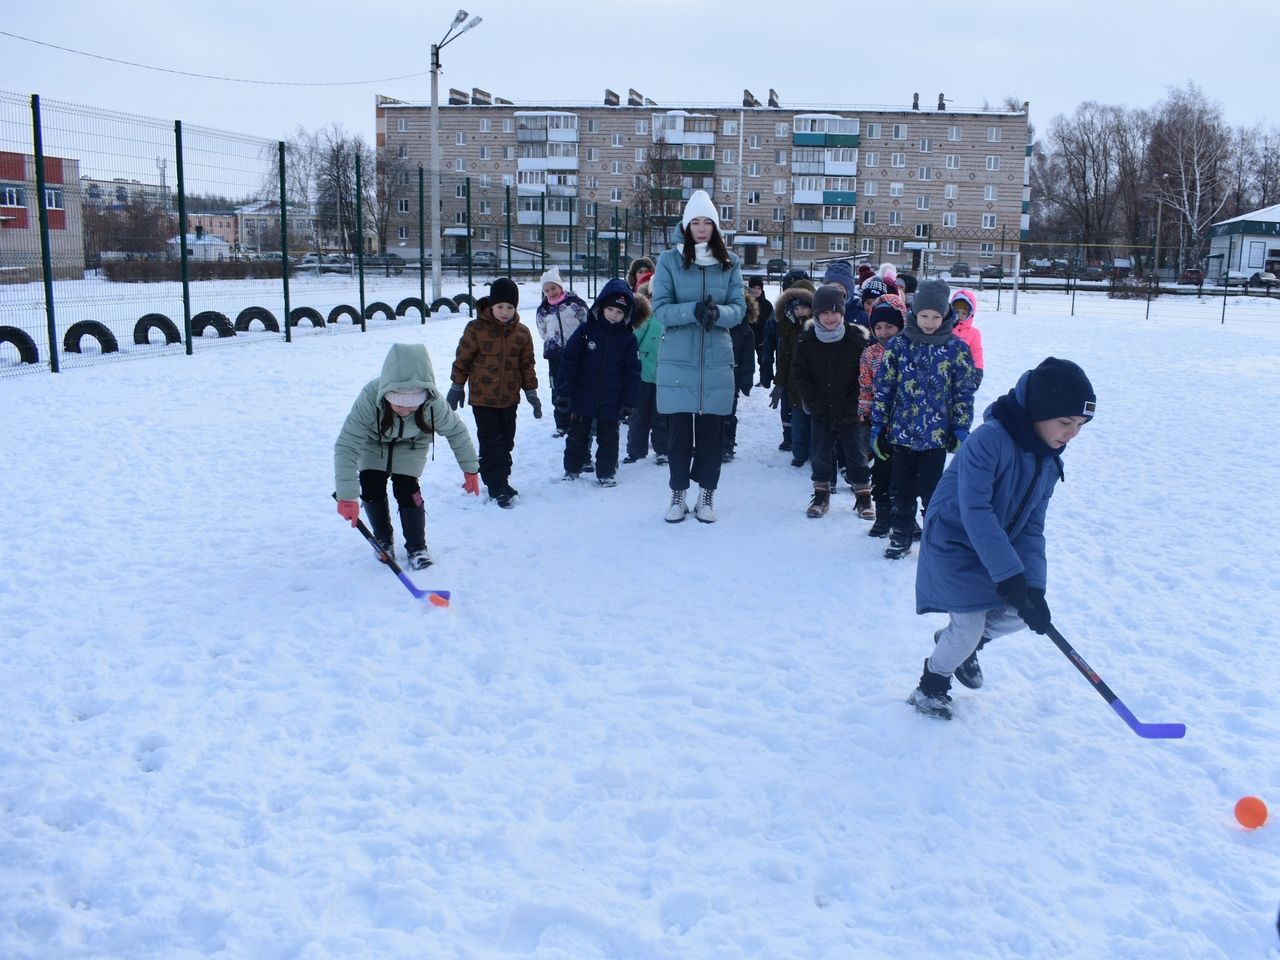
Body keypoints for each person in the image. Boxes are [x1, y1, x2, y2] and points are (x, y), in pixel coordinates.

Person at [907, 358, 1097, 720]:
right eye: (1066, 422)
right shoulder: (989, 441)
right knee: (968, 625)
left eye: (1081, 425)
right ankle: (931, 685)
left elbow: (1031, 527)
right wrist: (1009, 574)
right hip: (954, 545)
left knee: (1021, 613)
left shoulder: (1048, 461)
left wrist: (1032, 586)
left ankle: (963, 646)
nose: (1072, 433)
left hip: (994, 547)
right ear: (1040, 411)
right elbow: (975, 511)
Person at [334, 342, 480, 570]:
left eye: (412, 406)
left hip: (412, 445)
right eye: (398, 403)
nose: (404, 410)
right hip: (375, 443)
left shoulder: (433, 403)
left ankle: (417, 547)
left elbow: (455, 431)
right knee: (371, 485)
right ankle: (383, 539)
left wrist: (470, 468)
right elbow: (347, 444)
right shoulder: (370, 396)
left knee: (408, 489)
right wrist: (347, 495)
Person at [651, 189, 747, 524]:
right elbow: (659, 309)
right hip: (679, 361)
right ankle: (677, 496)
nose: (702, 228)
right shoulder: (669, 260)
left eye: (708, 222)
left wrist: (717, 313)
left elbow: (739, 309)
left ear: (716, 227)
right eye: (696, 222)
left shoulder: (730, 263)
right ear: (686, 225)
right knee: (678, 434)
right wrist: (692, 311)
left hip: (716, 362)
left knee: (711, 435)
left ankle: (706, 496)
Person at [871, 279, 977, 559]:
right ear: (914, 315)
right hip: (901, 434)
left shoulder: (956, 349)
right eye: (923, 316)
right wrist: (878, 426)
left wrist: (961, 428)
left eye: (935, 316)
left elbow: (963, 392)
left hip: (936, 437)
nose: (929, 322)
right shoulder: (898, 346)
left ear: (945, 316)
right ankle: (901, 536)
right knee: (900, 489)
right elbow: (884, 388)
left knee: (933, 492)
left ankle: (934, 538)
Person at [447, 277, 540, 508]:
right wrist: (457, 386)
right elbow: (462, 360)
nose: (505, 312)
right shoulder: (476, 329)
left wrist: (531, 393)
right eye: (500, 306)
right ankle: (496, 485)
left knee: (506, 441)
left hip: (510, 398)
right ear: (490, 305)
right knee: (492, 442)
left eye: (510, 307)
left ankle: (501, 479)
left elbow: (527, 365)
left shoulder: (522, 333)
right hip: (483, 398)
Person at [791, 284, 872, 518]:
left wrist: (855, 401)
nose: (830, 317)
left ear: (843, 313)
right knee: (820, 453)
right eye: (824, 312)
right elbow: (800, 374)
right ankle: (821, 494)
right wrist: (813, 401)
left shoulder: (856, 339)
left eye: (835, 312)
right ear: (816, 314)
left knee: (856, 454)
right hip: (820, 408)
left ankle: (864, 496)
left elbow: (864, 374)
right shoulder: (807, 341)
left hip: (850, 408)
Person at [556, 278, 642, 486]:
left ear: (626, 315)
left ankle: (606, 472)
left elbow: (633, 372)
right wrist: (564, 392)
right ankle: (572, 469)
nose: (614, 315)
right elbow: (569, 361)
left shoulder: (628, 340)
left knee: (609, 439)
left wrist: (628, 402)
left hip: (611, 401)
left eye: (620, 312)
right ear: (602, 306)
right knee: (577, 436)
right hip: (582, 397)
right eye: (611, 309)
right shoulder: (586, 332)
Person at [858, 294, 907, 532]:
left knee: (906, 476)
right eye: (878, 327)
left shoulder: (911, 351)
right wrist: (865, 416)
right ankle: (883, 515)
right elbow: (865, 387)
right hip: (880, 425)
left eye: (890, 326)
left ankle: (906, 517)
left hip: (909, 425)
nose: (884, 332)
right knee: (881, 472)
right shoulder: (870, 355)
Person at [534, 266, 589, 439]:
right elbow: (542, 331)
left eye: (553, 288)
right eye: (546, 290)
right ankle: (561, 423)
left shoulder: (575, 304)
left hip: (577, 354)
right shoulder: (543, 310)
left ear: (560, 286)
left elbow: (586, 322)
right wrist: (553, 341)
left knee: (578, 386)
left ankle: (577, 420)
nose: (550, 292)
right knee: (558, 388)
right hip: (555, 356)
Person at [768, 280, 815, 460]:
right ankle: (799, 453)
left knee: (813, 422)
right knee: (798, 422)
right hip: (794, 383)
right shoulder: (790, 330)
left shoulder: (818, 328)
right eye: (796, 308)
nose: (800, 311)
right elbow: (784, 359)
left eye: (804, 307)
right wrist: (779, 383)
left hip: (813, 384)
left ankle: (813, 453)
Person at [625, 278, 668, 464]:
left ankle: (662, 450)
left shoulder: (671, 318)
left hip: (665, 377)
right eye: (653, 296)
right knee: (638, 415)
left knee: (661, 416)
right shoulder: (645, 318)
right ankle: (636, 450)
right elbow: (633, 339)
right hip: (643, 375)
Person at [723, 285, 758, 463]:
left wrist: (746, 381)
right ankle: (708, 443)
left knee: (729, 412)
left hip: (733, 378)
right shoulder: (718, 326)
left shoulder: (745, 331)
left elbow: (748, 359)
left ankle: (727, 444)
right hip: (713, 375)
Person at [950, 289, 985, 389]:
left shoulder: (974, 333)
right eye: (956, 312)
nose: (959, 316)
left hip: (963, 374)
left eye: (963, 313)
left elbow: (977, 353)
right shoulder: (945, 329)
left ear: (970, 314)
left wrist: (978, 372)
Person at [747, 275, 775, 387]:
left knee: (763, 360)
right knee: (747, 362)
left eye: (759, 288)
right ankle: (745, 382)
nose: (756, 290)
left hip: (762, 338)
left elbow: (771, 320)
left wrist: (768, 335)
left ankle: (765, 379)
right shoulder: (744, 303)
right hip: (747, 337)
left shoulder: (766, 304)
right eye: (754, 288)